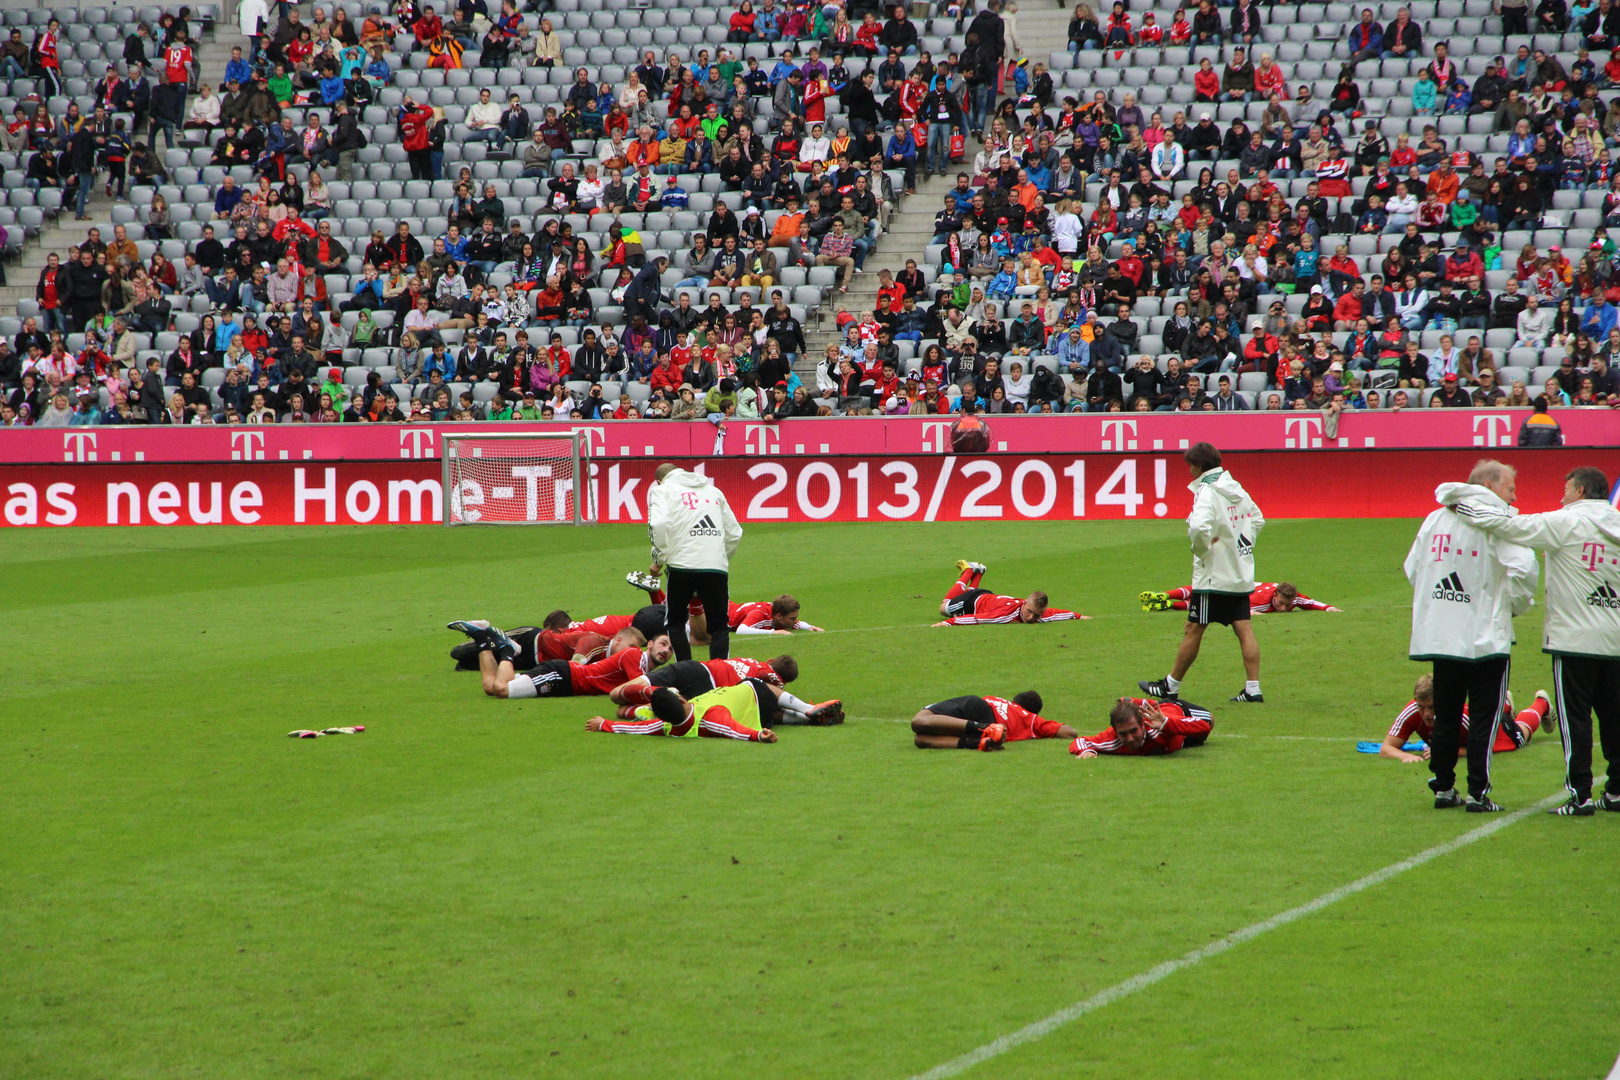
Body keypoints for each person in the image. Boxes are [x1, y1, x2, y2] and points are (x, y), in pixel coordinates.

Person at [1443, 465, 1620, 815]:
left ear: (1581, 491)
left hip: (1574, 640)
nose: (1561, 496)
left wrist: (1467, 505)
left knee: (1576, 721)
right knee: (1614, 717)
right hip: (1615, 639)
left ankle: (1581, 796)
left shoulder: (1564, 522)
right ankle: (1615, 792)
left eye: (1566, 489)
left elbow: (1511, 526)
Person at [1405, 460, 1537, 812]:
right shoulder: (1498, 522)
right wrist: (1512, 606)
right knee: (1484, 718)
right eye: (1510, 488)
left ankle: (1444, 788)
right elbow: (1524, 570)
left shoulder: (1436, 518)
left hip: (1443, 637)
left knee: (1447, 715)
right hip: (1486, 640)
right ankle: (1478, 793)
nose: (1514, 495)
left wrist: (1438, 606)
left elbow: (1412, 569)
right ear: (1490, 485)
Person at [1139, 443, 1267, 703]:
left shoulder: (1207, 491)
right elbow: (1257, 519)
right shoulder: (1236, 486)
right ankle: (1253, 689)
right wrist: (1241, 545)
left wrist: (1204, 550)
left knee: (1193, 627)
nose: (1189, 471)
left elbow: (1198, 527)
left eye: (1190, 465)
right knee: (1244, 627)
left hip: (1214, 577)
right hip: (1240, 572)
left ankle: (1170, 686)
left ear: (1198, 465)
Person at [647, 462, 743, 662]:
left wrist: (659, 559)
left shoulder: (662, 491)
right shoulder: (713, 490)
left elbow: (659, 524)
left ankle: (686, 671)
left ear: (658, 481)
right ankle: (719, 675)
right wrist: (718, 556)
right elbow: (734, 533)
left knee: (675, 622)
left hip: (681, 566)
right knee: (719, 627)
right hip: (716, 567)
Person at [447, 621, 672, 699]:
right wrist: (672, 692)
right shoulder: (630, 655)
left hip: (557, 671)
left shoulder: (626, 657)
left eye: (671, 649)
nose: (666, 650)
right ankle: (507, 649)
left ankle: (482, 641)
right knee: (501, 689)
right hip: (561, 674)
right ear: (649, 646)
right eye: (663, 644)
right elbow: (640, 687)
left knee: (490, 687)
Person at [608, 655, 843, 725]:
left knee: (619, 698)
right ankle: (805, 713)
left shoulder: (755, 662)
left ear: (770, 659)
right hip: (711, 695)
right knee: (762, 700)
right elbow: (767, 682)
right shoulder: (770, 677)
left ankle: (809, 711)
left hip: (697, 672)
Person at [1378, 674, 1548, 763]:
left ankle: (1542, 703)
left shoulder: (1461, 717)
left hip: (1492, 732)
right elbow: (1386, 748)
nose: (1426, 714)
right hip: (1474, 720)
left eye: (1432, 707)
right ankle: (1503, 703)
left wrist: (1453, 752)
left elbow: (1482, 749)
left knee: (1520, 735)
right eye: (1421, 707)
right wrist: (1405, 756)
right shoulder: (1411, 711)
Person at [584, 684, 777, 742]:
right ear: (682, 699)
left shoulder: (666, 725)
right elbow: (735, 731)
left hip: (748, 700)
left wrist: (603, 723)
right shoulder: (711, 717)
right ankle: (806, 710)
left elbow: (637, 727)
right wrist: (759, 735)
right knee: (758, 681)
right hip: (757, 697)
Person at [932, 560, 1087, 626]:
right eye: (1030, 612)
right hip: (971, 600)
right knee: (943, 608)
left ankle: (978, 573)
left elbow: (1056, 613)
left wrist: (1079, 616)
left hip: (988, 597)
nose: (1031, 618)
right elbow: (976, 618)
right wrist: (948, 622)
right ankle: (969, 571)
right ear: (1025, 603)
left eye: (1037, 615)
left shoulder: (1037, 612)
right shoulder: (1005, 614)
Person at [910, 692, 1078, 750]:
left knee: (919, 722)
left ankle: (984, 728)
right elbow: (1070, 732)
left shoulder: (999, 702)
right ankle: (979, 743)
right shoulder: (1032, 719)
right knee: (921, 740)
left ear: (1014, 700)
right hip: (987, 724)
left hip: (980, 708)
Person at [1069, 697, 1214, 757]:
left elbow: (1203, 727)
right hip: (1178, 742)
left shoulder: (1156, 728)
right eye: (1123, 734)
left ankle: (1137, 702)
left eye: (1134, 731)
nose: (1130, 739)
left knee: (1210, 720)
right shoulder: (1111, 737)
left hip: (1175, 710)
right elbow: (1080, 741)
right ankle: (1132, 702)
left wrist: (1166, 723)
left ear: (1142, 725)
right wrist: (1087, 751)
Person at [1142, 582, 1340, 613]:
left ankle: (1166, 600)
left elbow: (1310, 602)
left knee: (1201, 590)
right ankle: (1168, 601)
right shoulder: (1261, 602)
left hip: (1242, 583)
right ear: (1275, 595)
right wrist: (1248, 613)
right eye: (1280, 603)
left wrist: (1329, 608)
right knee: (1205, 599)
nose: (1283, 608)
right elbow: (1237, 607)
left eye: (1287, 605)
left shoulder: (1293, 598)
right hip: (1236, 590)